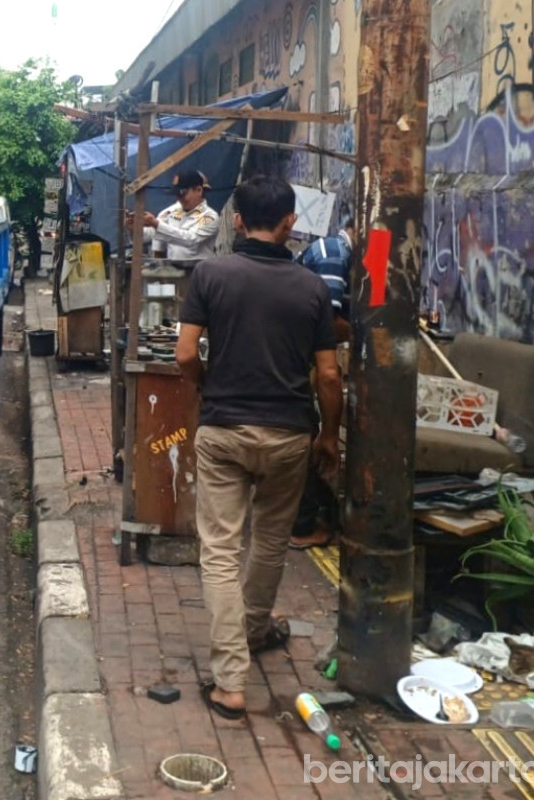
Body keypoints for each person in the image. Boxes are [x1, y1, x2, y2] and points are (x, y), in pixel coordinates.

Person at [175, 175, 342, 720]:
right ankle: (254, 629)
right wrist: (329, 436)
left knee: (219, 552)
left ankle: (230, 682)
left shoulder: (210, 274)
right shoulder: (313, 289)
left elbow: (182, 356)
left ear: (238, 221)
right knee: (269, 542)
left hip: (224, 429)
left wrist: (205, 386)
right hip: (290, 434)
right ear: (290, 222)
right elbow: (329, 376)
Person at [290, 219, 355, 550]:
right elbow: (329, 324)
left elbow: (374, 306)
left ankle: (304, 517)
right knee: (307, 432)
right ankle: (302, 525)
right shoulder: (333, 253)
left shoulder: (363, 254)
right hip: (296, 359)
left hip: (301, 358)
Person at [132, 170, 220, 260]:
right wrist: (133, 228)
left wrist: (156, 224)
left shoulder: (210, 216)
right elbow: (151, 234)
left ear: (198, 190)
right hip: (173, 270)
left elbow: (191, 239)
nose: (180, 199)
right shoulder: (170, 211)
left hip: (199, 270)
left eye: (183, 194)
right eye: (177, 195)